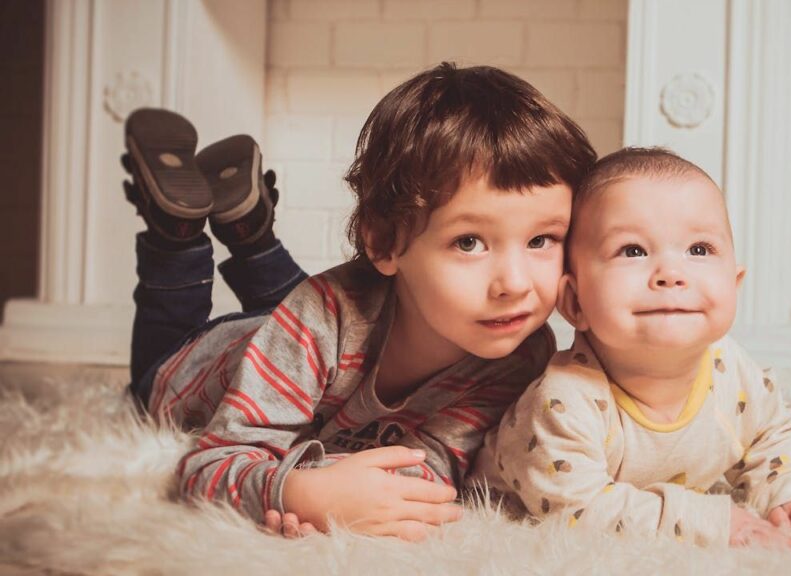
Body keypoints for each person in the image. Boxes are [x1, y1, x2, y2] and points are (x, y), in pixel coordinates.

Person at [122, 62, 596, 541]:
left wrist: (351, 489)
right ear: (385, 243)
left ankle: (253, 237)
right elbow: (206, 465)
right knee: (157, 367)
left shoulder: (517, 352)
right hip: (200, 362)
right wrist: (296, 494)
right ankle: (175, 234)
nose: (514, 284)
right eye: (469, 242)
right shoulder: (319, 320)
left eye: (542, 240)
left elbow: (434, 467)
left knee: (331, 313)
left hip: (317, 341)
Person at [468, 147, 791, 549]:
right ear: (575, 302)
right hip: (507, 500)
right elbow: (576, 510)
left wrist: (790, 492)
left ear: (734, 284)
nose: (671, 274)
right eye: (633, 251)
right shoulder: (562, 401)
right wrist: (709, 520)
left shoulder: (731, 367)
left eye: (699, 250)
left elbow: (773, 436)